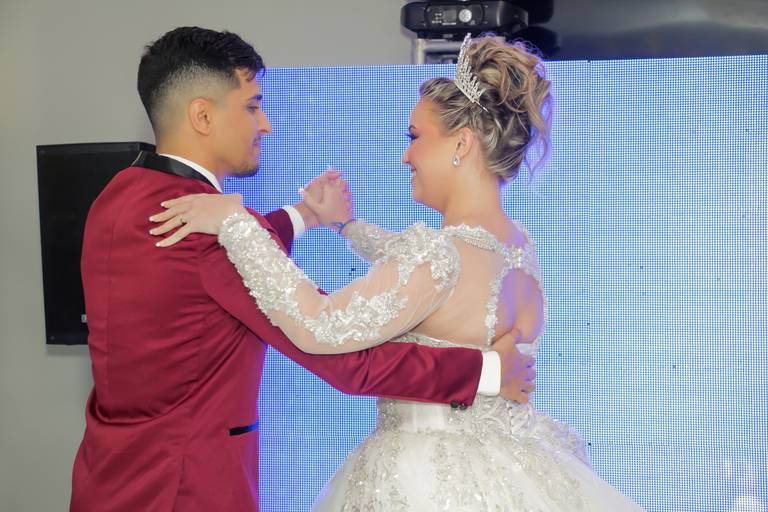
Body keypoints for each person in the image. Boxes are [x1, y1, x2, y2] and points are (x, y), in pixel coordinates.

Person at [152, 34, 645, 510]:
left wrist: (237, 224)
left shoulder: (437, 255)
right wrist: (344, 225)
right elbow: (420, 273)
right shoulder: (517, 245)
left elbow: (323, 325)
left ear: (462, 143)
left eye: (415, 137)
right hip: (511, 472)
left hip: (423, 477)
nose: (406, 155)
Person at [70, 27, 535, 512]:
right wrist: (487, 371)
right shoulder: (214, 234)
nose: (266, 124)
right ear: (202, 116)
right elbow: (344, 356)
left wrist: (305, 216)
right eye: (253, 106)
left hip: (109, 475)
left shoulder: (119, 196)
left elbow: (204, 274)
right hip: (185, 487)